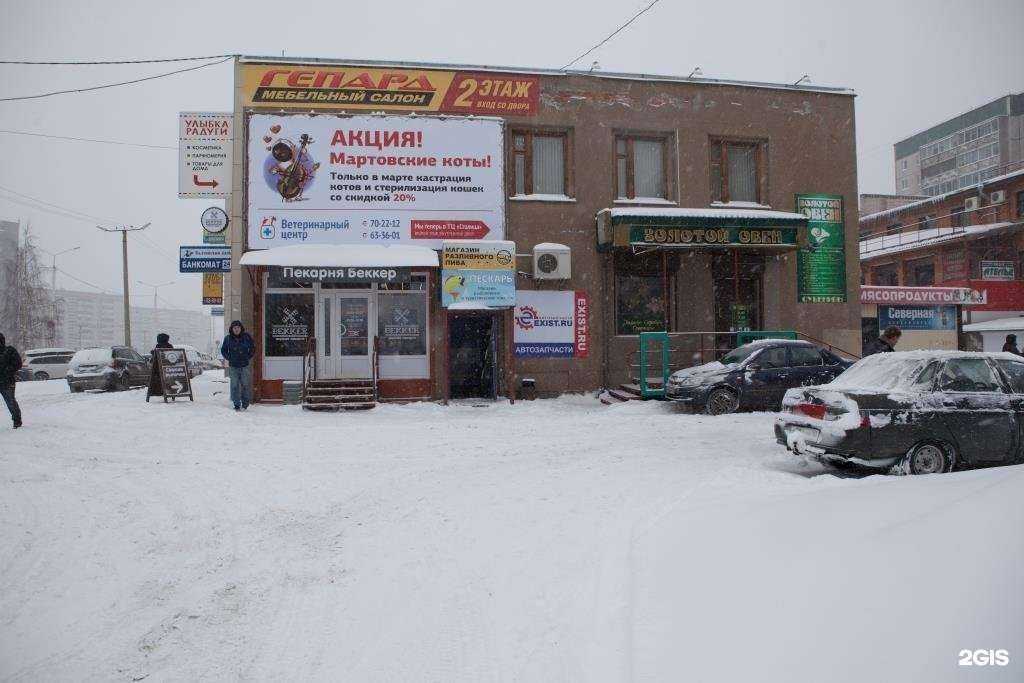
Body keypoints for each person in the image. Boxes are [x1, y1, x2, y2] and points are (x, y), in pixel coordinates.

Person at [221, 320, 255, 410]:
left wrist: (248, 356)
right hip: (233, 366)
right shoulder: (228, 338)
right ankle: (236, 404)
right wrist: (229, 357)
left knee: (245, 385)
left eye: (238, 328)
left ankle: (245, 403)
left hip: (244, 365)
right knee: (234, 385)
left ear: (241, 328)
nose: (236, 330)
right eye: (234, 328)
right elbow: (223, 350)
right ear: (232, 329)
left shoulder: (246, 337)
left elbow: (252, 348)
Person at [0, 333, 23, 429]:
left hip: (7, 381)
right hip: (6, 380)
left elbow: (18, 363)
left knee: (10, 402)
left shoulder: (10, 351)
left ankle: (17, 420)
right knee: (11, 402)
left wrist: (7, 371)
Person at [147, 332, 174, 400]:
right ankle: (172, 392)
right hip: (169, 369)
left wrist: (153, 353)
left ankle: (159, 392)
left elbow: (156, 357)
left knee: (158, 380)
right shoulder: (170, 346)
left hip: (159, 369)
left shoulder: (158, 346)